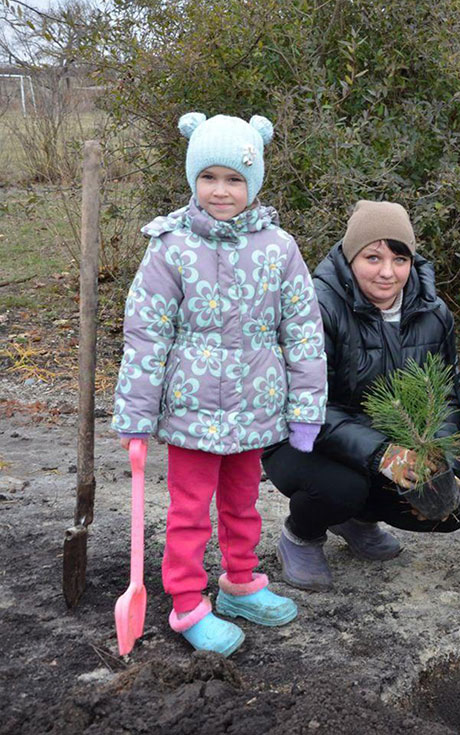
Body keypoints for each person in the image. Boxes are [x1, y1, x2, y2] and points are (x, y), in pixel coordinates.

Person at [111, 112, 327, 656]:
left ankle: (240, 582)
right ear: (192, 178)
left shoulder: (279, 247)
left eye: (235, 179)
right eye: (210, 177)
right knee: (188, 511)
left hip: (255, 408)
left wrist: (306, 408)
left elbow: (302, 330)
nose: (222, 190)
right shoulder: (170, 247)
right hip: (191, 411)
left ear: (253, 183)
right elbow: (146, 333)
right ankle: (186, 603)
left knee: (243, 503)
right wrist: (136, 416)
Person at [262, 200, 460, 592]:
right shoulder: (316, 306)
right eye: (373, 257)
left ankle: (355, 521)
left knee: (452, 509)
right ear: (349, 255)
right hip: (301, 441)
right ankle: (301, 534)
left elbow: (446, 396)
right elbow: (306, 405)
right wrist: (382, 455)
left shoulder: (434, 313)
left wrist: (446, 464)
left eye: (400, 258)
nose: (388, 272)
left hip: (387, 447)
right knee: (343, 488)